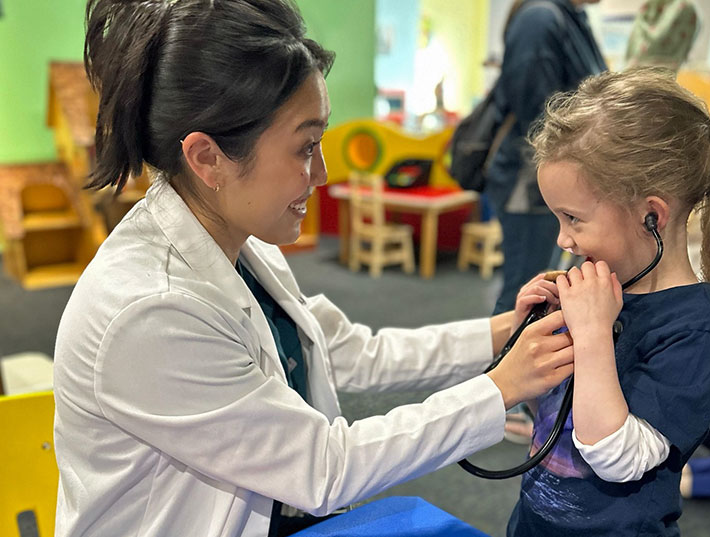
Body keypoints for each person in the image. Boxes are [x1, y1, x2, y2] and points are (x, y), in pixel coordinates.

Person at [52, 2, 576, 536]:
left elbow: (348, 354)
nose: (322, 173)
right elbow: (324, 467)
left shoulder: (241, 246)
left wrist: (503, 331)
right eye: (305, 147)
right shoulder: (151, 309)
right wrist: (499, 388)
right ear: (208, 158)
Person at [505, 68, 710, 536]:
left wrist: (593, 335)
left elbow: (616, 457)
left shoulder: (701, 331)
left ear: (651, 216)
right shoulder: (602, 296)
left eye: (574, 218)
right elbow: (551, 424)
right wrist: (532, 338)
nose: (563, 238)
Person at [486, 0, 606, 315]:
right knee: (526, 292)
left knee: (544, 286)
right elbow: (538, 117)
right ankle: (507, 362)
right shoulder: (540, 18)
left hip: (553, 181)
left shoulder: (572, 18)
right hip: (530, 183)